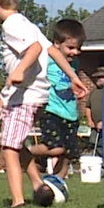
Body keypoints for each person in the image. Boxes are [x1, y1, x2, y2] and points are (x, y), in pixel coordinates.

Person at [0, 0, 88, 208]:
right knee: (16, 144)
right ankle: (38, 185)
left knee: (9, 148)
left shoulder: (11, 25)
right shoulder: (27, 24)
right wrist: (73, 77)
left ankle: (18, 201)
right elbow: (52, 51)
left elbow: (35, 48)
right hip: (38, 96)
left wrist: (19, 70)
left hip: (24, 96)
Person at [27, 19, 87, 180]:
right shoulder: (47, 59)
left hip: (70, 114)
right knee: (55, 147)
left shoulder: (74, 63)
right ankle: (24, 152)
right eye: (71, 48)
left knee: (70, 152)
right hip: (51, 111)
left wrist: (76, 90)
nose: (75, 52)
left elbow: (70, 82)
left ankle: (57, 180)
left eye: (78, 48)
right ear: (56, 44)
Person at [85, 66, 104, 153]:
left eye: (101, 77)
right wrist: (89, 120)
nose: (98, 80)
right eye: (98, 77)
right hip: (95, 127)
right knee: (94, 145)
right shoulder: (94, 92)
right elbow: (88, 107)